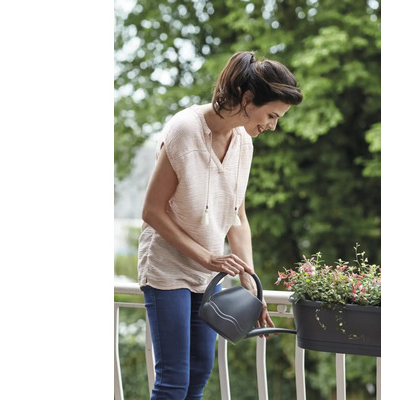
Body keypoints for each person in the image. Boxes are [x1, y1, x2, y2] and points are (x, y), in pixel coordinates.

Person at [137, 50, 303, 400]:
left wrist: (251, 284)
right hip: (168, 269)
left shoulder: (243, 142)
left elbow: (237, 217)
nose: (273, 125)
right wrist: (207, 257)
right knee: (173, 381)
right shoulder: (185, 130)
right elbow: (151, 211)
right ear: (247, 99)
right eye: (271, 114)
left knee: (198, 376)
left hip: (207, 275)